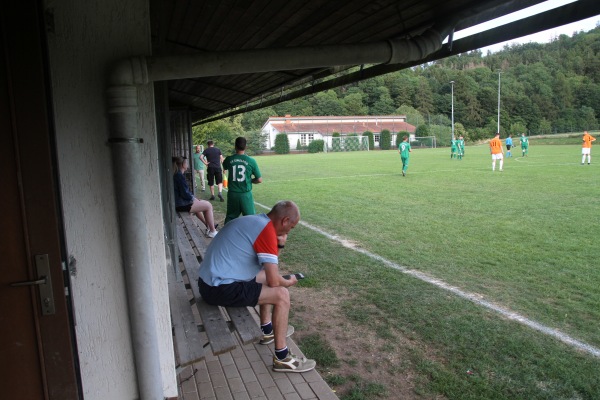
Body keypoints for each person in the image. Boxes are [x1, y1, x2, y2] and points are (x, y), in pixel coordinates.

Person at [198, 201, 316, 373]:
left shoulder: (257, 221)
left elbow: (268, 271)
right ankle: (282, 358)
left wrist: (280, 245)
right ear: (284, 221)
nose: (290, 231)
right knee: (281, 294)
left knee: (265, 278)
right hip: (218, 288)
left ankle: (267, 329)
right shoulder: (266, 231)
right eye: (292, 227)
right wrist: (287, 282)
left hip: (208, 282)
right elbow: (275, 281)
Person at [172, 156, 218, 238]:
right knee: (208, 205)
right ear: (183, 164)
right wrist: (193, 199)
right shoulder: (179, 176)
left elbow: (185, 193)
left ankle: (209, 227)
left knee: (201, 203)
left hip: (179, 203)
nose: (187, 164)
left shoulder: (178, 174)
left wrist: (194, 199)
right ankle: (212, 231)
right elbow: (185, 194)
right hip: (180, 204)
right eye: (186, 163)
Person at [223, 137, 262, 224]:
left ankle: (227, 236)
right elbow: (259, 180)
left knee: (230, 218)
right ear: (246, 147)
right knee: (251, 219)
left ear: (235, 146)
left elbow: (224, 166)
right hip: (246, 195)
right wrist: (250, 180)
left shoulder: (229, 159)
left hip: (233, 194)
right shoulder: (251, 161)